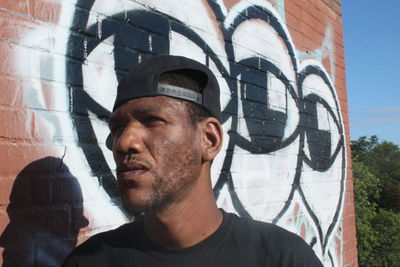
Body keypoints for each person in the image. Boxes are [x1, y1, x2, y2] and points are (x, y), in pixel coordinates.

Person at [63, 55, 323, 266]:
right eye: (118, 127)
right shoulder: (89, 261)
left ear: (209, 140)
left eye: (152, 121)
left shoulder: (282, 258)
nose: (123, 143)